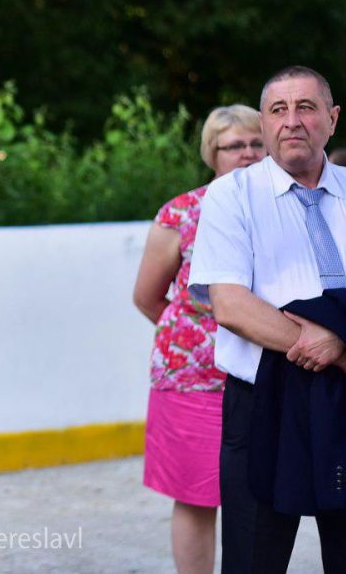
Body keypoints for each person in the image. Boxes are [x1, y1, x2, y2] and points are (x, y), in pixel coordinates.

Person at [188, 65, 346, 573]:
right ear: (264, 123)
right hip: (267, 400)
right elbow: (230, 304)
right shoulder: (231, 195)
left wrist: (341, 345)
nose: (292, 120)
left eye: (306, 107)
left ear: (333, 119)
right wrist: (337, 349)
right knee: (255, 560)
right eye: (278, 109)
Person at [133, 104, 265, 574]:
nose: (247, 153)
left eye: (256, 143)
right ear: (212, 153)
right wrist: (197, 337)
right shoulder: (182, 212)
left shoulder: (285, 206)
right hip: (193, 380)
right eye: (234, 146)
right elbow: (148, 297)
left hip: (263, 374)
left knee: (259, 494)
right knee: (195, 496)